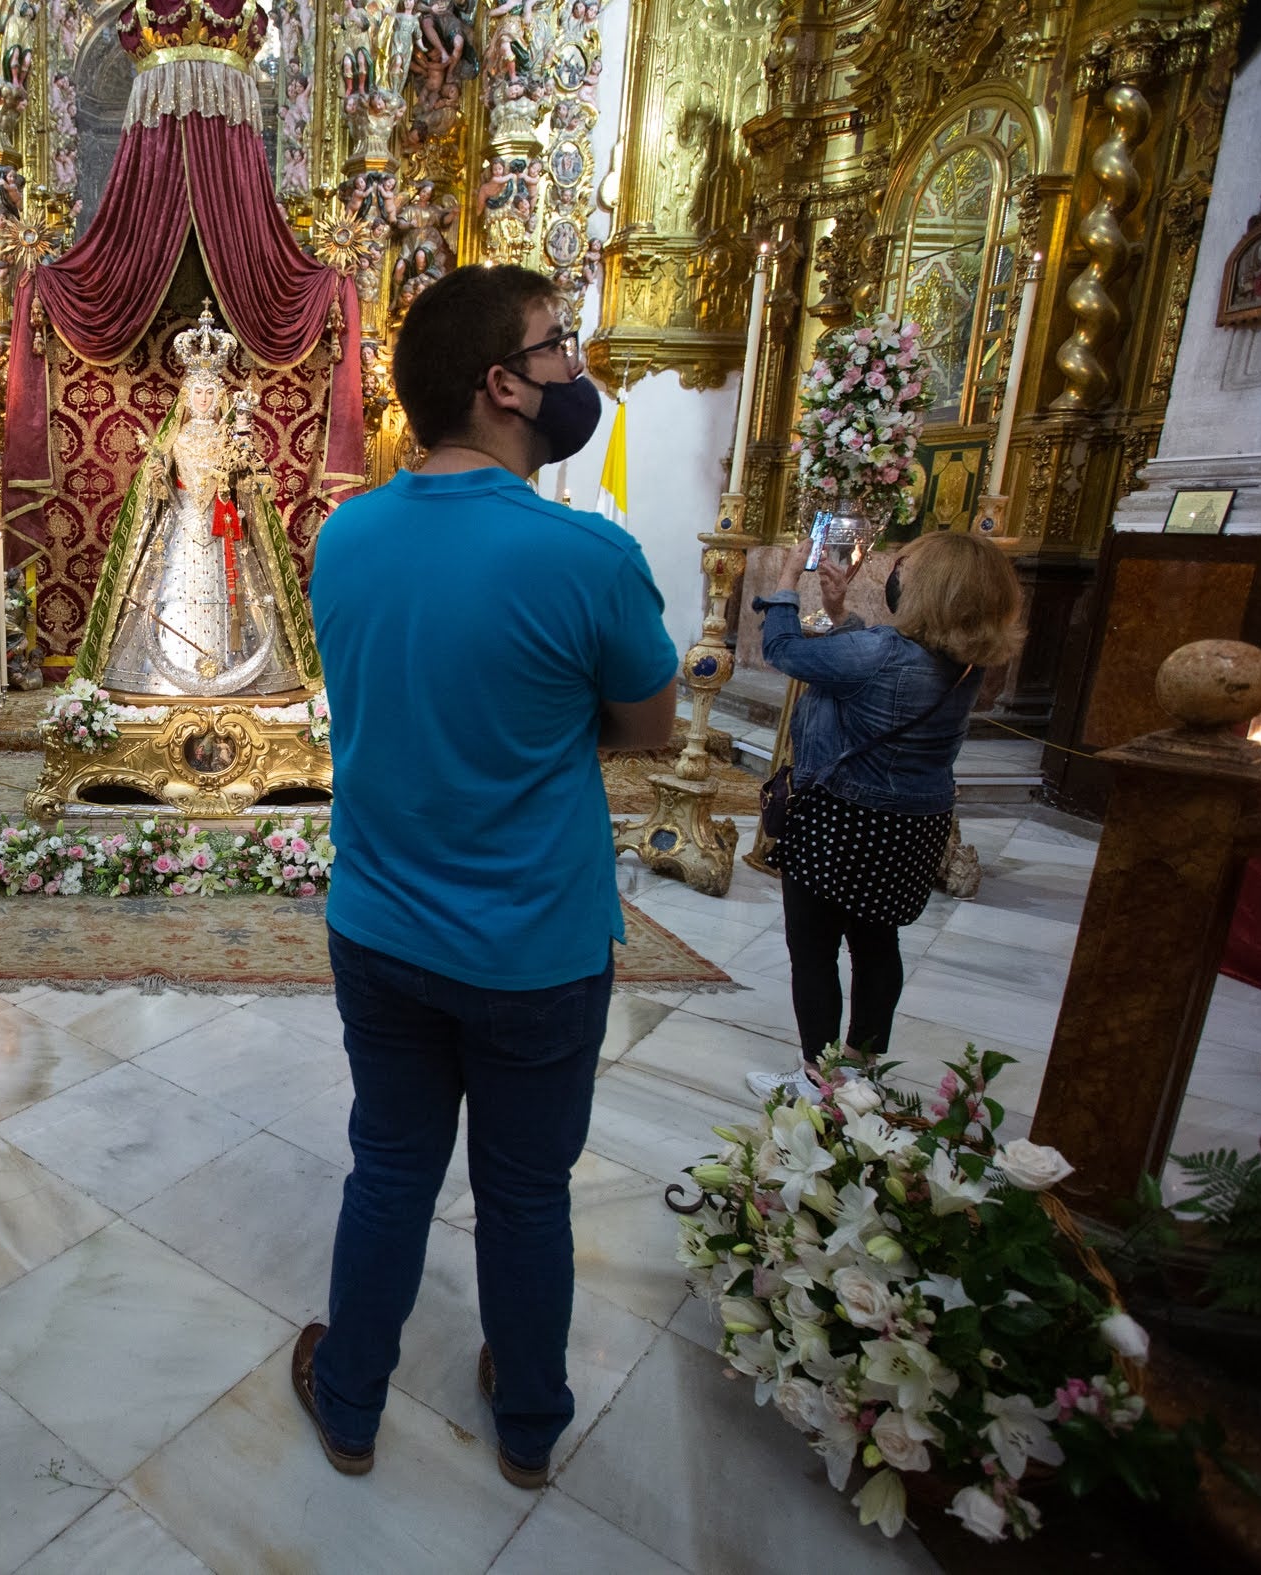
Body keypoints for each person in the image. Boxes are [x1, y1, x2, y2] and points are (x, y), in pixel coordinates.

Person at [299, 265, 679, 1489]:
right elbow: (649, 729)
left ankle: (350, 1401)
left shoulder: (344, 535)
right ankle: (527, 1427)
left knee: (391, 1170)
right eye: (557, 348)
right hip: (535, 946)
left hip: (382, 928)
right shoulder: (587, 557)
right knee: (525, 1196)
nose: (577, 369)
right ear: (502, 385)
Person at [743, 529, 1022, 1102]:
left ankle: (818, 1082)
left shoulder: (882, 654)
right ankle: (862, 1067)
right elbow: (871, 676)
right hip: (913, 825)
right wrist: (842, 612)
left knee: (814, 951)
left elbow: (784, 651)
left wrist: (786, 580)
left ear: (929, 588)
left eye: (906, 568)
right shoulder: (966, 664)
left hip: (844, 817)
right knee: (877, 945)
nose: (897, 575)